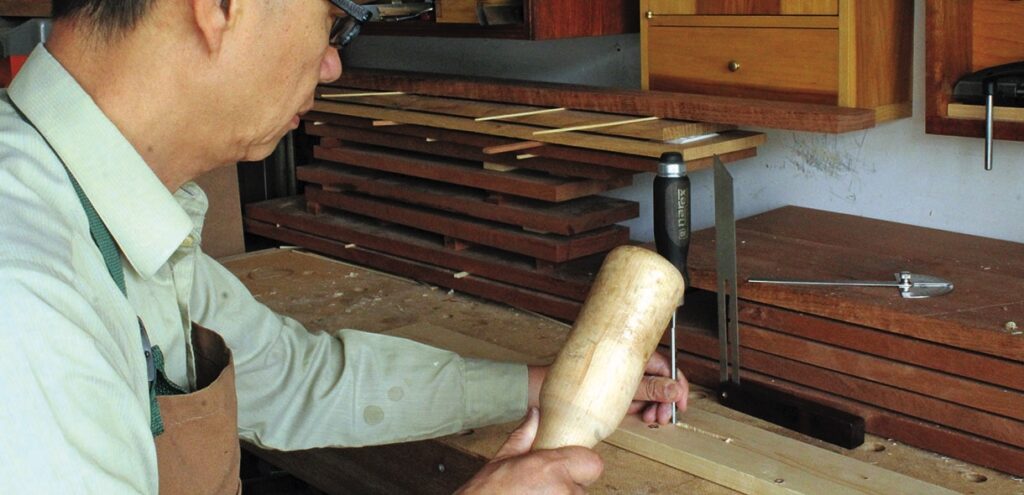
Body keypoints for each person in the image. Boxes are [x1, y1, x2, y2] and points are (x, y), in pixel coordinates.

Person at [0, 0, 689, 493]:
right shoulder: (27, 295)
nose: (331, 64)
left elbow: (293, 378)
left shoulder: (108, 208)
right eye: (331, 21)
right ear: (219, 8)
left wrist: (546, 387)